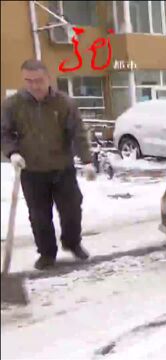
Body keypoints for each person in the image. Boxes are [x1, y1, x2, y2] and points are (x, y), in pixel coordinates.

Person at [1, 59, 96, 270]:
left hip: (62, 168)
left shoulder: (64, 103)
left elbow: (78, 133)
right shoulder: (12, 104)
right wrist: (13, 152)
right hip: (32, 171)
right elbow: (4, 133)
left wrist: (87, 160)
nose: (35, 85)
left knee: (72, 210)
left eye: (39, 80)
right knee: (39, 216)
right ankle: (46, 253)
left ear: (48, 78)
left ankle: (72, 243)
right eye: (29, 80)